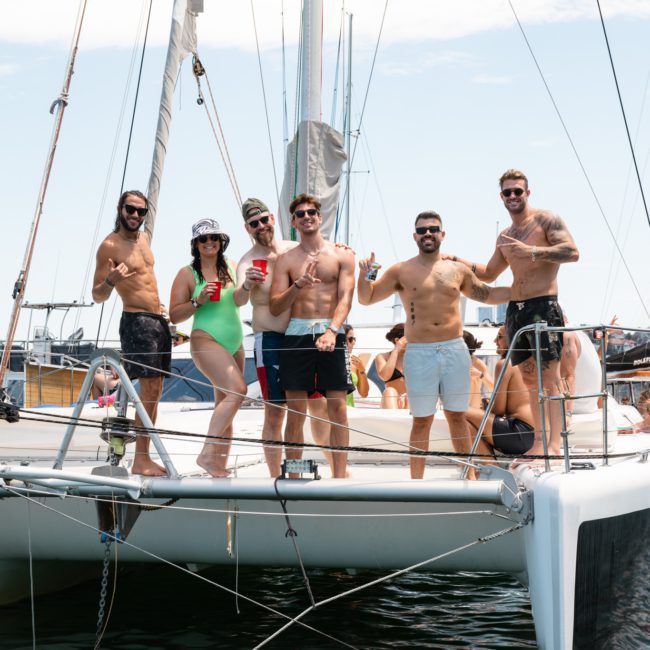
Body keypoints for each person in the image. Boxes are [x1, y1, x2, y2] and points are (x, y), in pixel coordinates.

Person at [358, 210, 511, 479]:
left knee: (457, 417)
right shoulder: (401, 270)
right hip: (419, 352)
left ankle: (470, 477)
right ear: (414, 236)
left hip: (454, 349)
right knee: (421, 421)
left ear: (442, 234)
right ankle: (416, 482)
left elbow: (487, 295)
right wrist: (366, 274)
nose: (427, 233)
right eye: (422, 230)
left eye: (433, 229)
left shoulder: (456, 270)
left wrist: (521, 290)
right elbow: (366, 298)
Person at [447, 169, 579, 462]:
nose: (513, 197)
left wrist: (531, 252)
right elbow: (490, 273)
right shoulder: (505, 236)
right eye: (507, 192)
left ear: (527, 193)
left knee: (550, 380)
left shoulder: (546, 220)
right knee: (530, 382)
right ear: (501, 197)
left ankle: (554, 446)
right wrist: (456, 260)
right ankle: (538, 443)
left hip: (543, 305)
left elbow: (572, 252)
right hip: (516, 310)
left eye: (518, 191)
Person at [235, 197, 333, 477]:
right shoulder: (247, 262)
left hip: (302, 337)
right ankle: (275, 474)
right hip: (272, 339)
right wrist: (247, 284)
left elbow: (327, 258)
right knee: (276, 411)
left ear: (273, 220)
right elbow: (238, 301)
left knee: (316, 406)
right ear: (247, 228)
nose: (261, 226)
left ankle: (323, 466)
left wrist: (343, 250)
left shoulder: (294, 249)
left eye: (265, 219)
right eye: (254, 223)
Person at [269, 193, 356, 479]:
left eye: (311, 213)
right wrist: (298, 285)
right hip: (297, 333)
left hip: (332, 334)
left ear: (320, 217)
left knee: (338, 410)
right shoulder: (285, 260)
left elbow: (345, 299)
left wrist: (332, 331)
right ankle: (293, 476)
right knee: (296, 412)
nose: (307, 217)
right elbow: (276, 305)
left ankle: (340, 476)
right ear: (293, 222)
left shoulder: (342, 255)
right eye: (300, 214)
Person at [92, 190, 172, 476]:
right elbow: (97, 295)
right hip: (136, 321)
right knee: (147, 391)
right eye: (130, 209)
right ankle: (141, 458)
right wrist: (111, 281)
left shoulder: (145, 238)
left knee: (156, 392)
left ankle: (144, 456)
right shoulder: (109, 246)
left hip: (157, 320)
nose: (135, 215)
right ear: (120, 208)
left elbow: (147, 280)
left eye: (141, 211)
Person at [169, 219, 247, 477]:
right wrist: (197, 301)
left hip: (235, 342)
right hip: (206, 339)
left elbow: (240, 299)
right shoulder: (187, 274)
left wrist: (248, 285)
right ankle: (205, 454)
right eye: (203, 239)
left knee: (226, 405)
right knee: (239, 390)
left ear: (221, 241)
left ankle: (218, 465)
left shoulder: (233, 267)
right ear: (195, 244)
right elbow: (174, 316)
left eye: (214, 237)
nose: (209, 242)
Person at [465, 325, 535, 458]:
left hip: (519, 434)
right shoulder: (532, 362)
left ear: (512, 340)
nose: (495, 341)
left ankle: (490, 464)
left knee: (458, 412)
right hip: (537, 437)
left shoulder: (505, 363)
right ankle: (489, 463)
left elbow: (498, 410)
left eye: (500, 337)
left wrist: (485, 408)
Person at [374, 323, 408, 409]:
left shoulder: (416, 357)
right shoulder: (382, 357)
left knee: (410, 395)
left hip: (409, 400)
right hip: (392, 399)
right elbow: (385, 376)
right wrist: (396, 350)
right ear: (397, 340)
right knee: (390, 391)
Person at [462, 330, 494, 410]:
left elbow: (493, 388)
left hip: (472, 409)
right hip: (453, 410)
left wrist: (480, 375)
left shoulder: (478, 364)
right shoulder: (451, 361)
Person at [344, 324, 369, 406]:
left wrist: (362, 370)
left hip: (350, 410)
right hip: (330, 410)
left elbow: (364, 394)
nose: (354, 343)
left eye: (354, 339)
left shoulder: (355, 363)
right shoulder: (328, 361)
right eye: (351, 339)